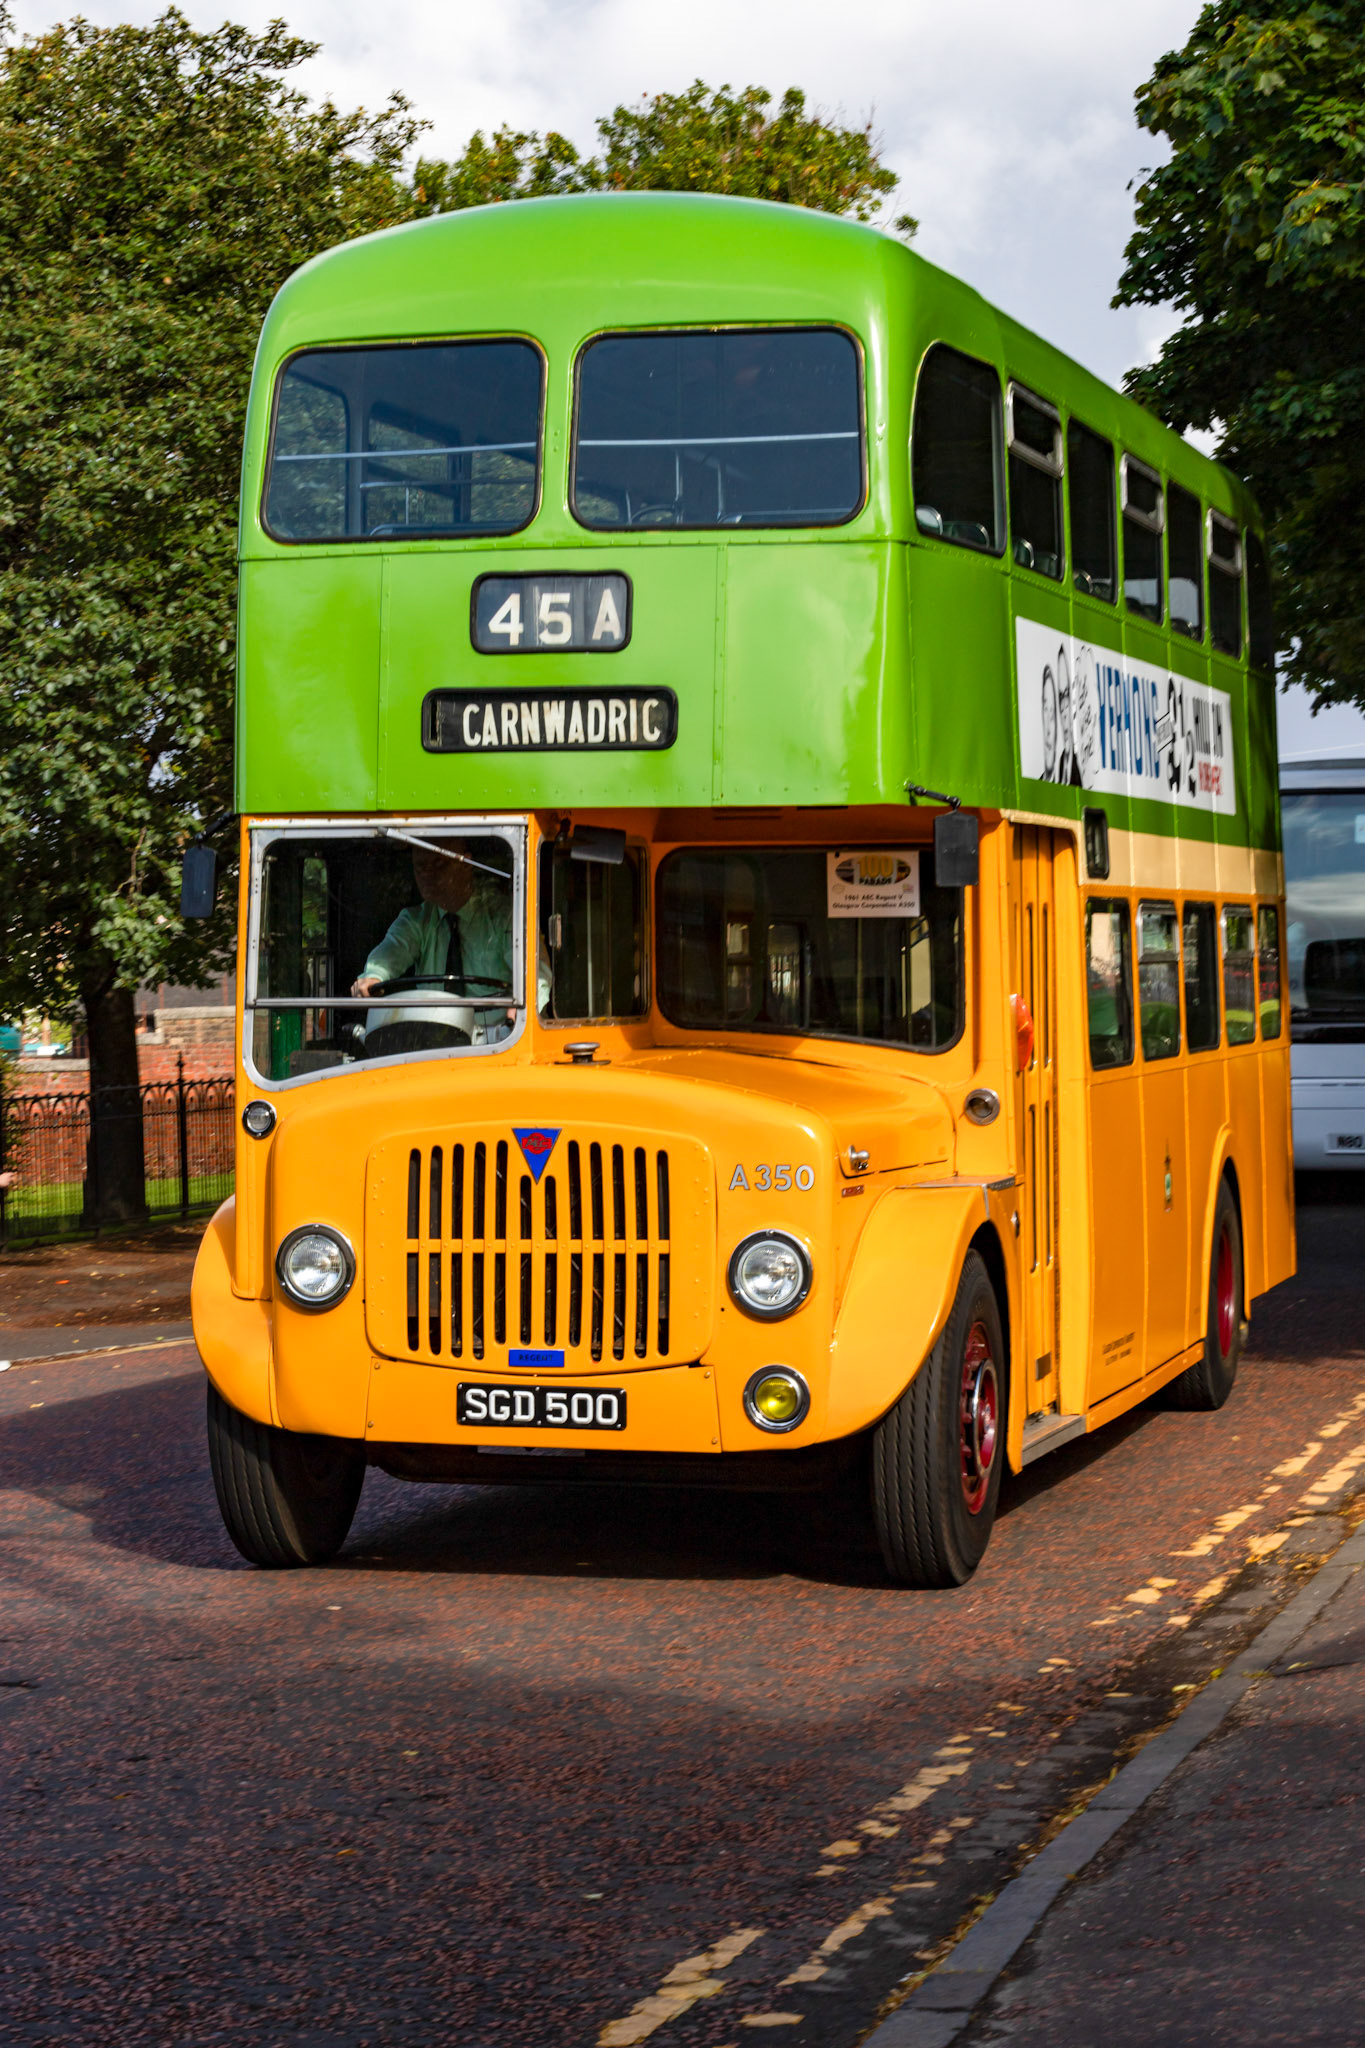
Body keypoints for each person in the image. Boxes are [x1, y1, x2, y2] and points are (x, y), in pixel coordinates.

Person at [351, 841, 514, 1002]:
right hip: (432, 1026)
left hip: (498, 1028)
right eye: (420, 867)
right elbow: (392, 949)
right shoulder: (416, 920)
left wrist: (521, 1008)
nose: (428, 875)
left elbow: (534, 978)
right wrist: (373, 977)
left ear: (466, 864)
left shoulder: (504, 917)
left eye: (439, 864)